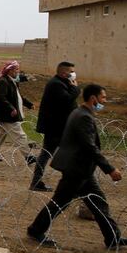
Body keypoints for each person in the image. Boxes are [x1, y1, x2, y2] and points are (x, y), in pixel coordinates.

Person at [27, 84, 127, 249]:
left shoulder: (80, 112)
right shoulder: (83, 117)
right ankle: (35, 230)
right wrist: (109, 169)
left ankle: (113, 237)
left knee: (98, 202)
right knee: (59, 203)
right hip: (76, 170)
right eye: (103, 97)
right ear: (93, 98)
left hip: (82, 170)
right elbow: (89, 147)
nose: (105, 101)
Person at [30, 61, 81, 192]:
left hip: (61, 127)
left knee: (51, 154)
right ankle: (38, 182)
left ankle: (39, 182)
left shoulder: (62, 83)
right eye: (71, 72)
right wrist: (76, 88)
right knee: (48, 154)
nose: (73, 74)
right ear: (64, 73)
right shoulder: (56, 84)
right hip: (55, 128)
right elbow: (66, 100)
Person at [0, 61, 36, 165]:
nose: (18, 71)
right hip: (7, 115)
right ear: (10, 70)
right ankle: (28, 156)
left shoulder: (12, 81)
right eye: (16, 69)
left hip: (5, 115)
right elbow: (1, 97)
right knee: (20, 135)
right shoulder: (3, 81)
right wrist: (11, 108)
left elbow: (18, 96)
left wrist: (29, 104)